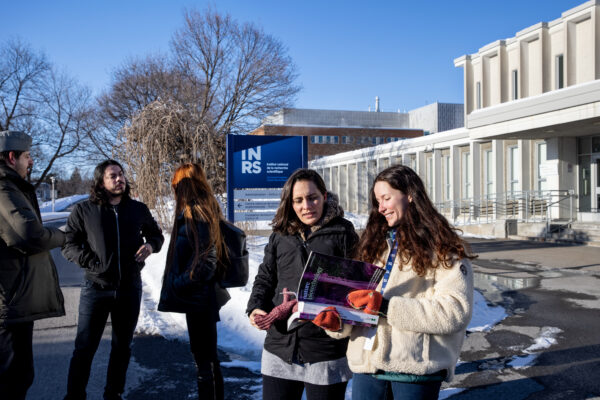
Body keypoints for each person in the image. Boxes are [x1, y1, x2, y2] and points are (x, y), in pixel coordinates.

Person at [317, 164, 475, 400]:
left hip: (414, 372)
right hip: (367, 368)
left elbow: (454, 311)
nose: (380, 208)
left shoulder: (443, 248)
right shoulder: (372, 246)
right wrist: (338, 322)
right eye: (377, 201)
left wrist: (386, 307)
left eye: (386, 198)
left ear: (409, 195)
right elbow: (361, 304)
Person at [247, 168, 359, 400]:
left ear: (324, 196)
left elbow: (356, 285)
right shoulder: (280, 234)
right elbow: (265, 276)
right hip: (280, 344)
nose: (306, 206)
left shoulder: (343, 232)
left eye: (312, 197)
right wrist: (256, 306)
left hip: (325, 347)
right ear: (290, 202)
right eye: (298, 200)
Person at [62, 159, 164, 400]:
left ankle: (113, 394)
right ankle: (75, 396)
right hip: (96, 288)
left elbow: (156, 235)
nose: (119, 179)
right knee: (85, 348)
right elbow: (69, 245)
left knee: (122, 347)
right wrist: (91, 261)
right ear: (101, 182)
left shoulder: (137, 209)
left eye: (121, 174)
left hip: (129, 288)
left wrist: (150, 245)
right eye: (112, 176)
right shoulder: (84, 211)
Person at [0, 130, 66, 399]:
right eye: (28, 156)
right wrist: (63, 236)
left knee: (18, 376)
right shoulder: (4, 188)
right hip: (9, 305)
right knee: (13, 379)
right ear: (12, 157)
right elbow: (30, 235)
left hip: (14, 302)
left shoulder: (11, 186)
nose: (31, 162)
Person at [157, 163, 228, 400]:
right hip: (199, 298)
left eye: (177, 184)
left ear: (186, 185)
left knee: (204, 363)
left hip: (199, 299)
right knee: (207, 360)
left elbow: (207, 260)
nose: (174, 189)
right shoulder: (196, 210)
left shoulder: (198, 212)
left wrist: (179, 282)